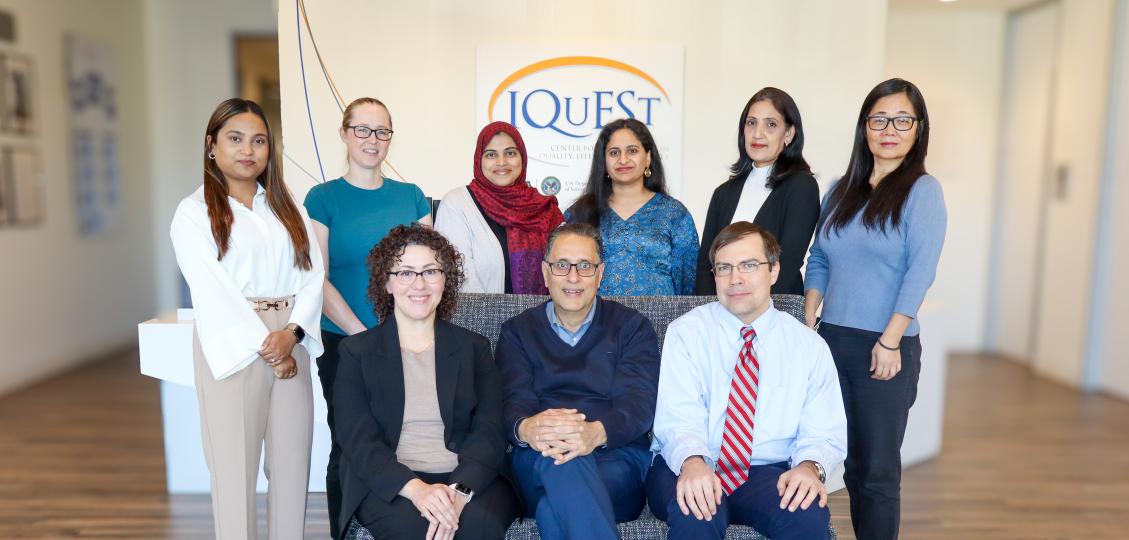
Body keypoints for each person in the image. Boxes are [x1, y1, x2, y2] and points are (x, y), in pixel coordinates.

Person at [170, 98, 324, 539]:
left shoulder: (286, 205)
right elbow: (212, 289)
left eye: (259, 141)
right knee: (234, 470)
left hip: (291, 338)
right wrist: (269, 346)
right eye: (235, 139)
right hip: (235, 345)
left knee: (292, 464)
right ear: (211, 145)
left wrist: (292, 334)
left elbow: (313, 273)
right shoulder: (194, 212)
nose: (248, 150)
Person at [804, 78, 947, 540]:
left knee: (878, 472)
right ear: (864, 126)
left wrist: (890, 341)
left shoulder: (922, 191)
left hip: (885, 345)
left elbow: (920, 272)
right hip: (833, 340)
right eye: (879, 119)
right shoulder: (840, 189)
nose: (889, 129)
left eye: (902, 120)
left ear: (918, 128)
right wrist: (810, 317)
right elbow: (820, 257)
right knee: (845, 463)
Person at [648, 222, 846, 540]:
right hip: (692, 460)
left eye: (749, 265)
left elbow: (823, 430)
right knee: (696, 515)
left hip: (770, 471)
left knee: (806, 516)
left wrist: (809, 467)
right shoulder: (686, 332)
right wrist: (692, 462)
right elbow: (678, 417)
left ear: (774, 270)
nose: (735, 279)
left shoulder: (807, 345)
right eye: (724, 268)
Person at [333, 224, 519, 540]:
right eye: (405, 273)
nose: (419, 284)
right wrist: (417, 490)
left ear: (445, 279)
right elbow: (357, 439)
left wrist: (459, 491)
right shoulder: (356, 352)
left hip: (468, 477)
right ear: (387, 283)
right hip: (392, 482)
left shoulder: (474, 348)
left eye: (430, 271)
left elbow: (489, 428)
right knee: (417, 530)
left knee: (477, 526)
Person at [303, 96, 432, 538]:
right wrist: (365, 337)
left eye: (382, 131)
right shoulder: (323, 198)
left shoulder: (411, 196)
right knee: (349, 446)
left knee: (407, 442)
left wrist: (399, 334)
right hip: (346, 342)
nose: (372, 140)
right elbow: (317, 280)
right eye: (362, 129)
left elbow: (427, 274)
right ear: (344, 133)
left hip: (410, 341)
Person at [496, 223, 660, 539]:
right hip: (538, 456)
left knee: (553, 507)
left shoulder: (632, 328)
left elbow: (639, 404)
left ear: (600, 274)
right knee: (564, 465)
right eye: (562, 265)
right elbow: (510, 400)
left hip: (616, 459)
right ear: (545, 272)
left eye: (585, 266)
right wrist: (528, 429)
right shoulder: (517, 332)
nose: (573, 277)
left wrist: (594, 433)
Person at [695, 87, 820, 295]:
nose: (757, 134)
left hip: (776, 308)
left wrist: (750, 309)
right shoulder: (723, 193)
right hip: (721, 310)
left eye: (771, 124)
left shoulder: (802, 186)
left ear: (788, 134)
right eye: (751, 123)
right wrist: (711, 310)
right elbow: (706, 266)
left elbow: (787, 264)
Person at [564, 118, 698, 296]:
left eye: (632, 151)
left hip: (659, 313)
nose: (623, 159)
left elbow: (688, 285)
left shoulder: (674, 213)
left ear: (648, 157)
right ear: (603, 161)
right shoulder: (579, 213)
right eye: (614, 153)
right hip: (597, 313)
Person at [435, 121, 563, 294]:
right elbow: (459, 278)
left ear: (522, 157)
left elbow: (563, 271)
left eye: (510, 153)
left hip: (544, 312)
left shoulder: (544, 209)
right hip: (479, 311)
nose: (502, 162)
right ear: (479, 160)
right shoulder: (457, 204)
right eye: (491, 154)